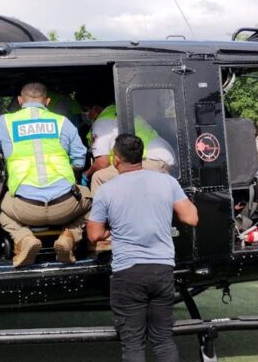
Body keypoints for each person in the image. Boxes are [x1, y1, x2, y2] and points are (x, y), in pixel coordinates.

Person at [87, 134, 198, 362]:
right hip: (162, 270)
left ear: (116, 159)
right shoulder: (167, 182)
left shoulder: (107, 189)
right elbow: (191, 217)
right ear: (142, 156)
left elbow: (94, 234)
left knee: (133, 344)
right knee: (163, 339)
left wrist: (111, 229)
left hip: (128, 273)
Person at [0, 82, 91, 267]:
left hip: (25, 209)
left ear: (19, 101)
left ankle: (24, 238)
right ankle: (70, 236)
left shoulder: (5, 122)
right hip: (65, 207)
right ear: (47, 102)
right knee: (93, 201)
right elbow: (80, 160)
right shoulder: (62, 122)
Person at [83, 104, 175, 195]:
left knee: (98, 177)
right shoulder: (121, 110)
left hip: (150, 160)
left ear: (95, 108)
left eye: (86, 110)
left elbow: (102, 163)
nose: (86, 115)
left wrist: (86, 174)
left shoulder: (101, 123)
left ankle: (99, 209)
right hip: (164, 157)